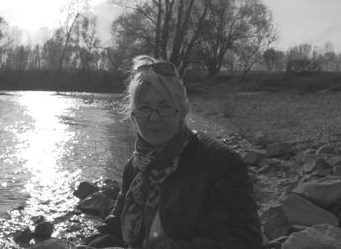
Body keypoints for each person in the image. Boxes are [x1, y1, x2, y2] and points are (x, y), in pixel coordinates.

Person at [79, 55, 262, 249]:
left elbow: (244, 241)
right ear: (133, 117)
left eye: (165, 107)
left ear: (182, 110)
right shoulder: (135, 167)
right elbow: (117, 224)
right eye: (144, 108)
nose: (154, 117)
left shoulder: (220, 163)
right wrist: (88, 245)